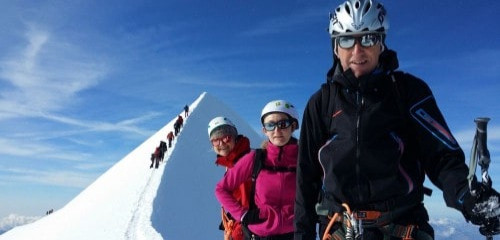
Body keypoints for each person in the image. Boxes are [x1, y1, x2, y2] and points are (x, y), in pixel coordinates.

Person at [294, 1, 500, 240]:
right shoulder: (321, 103)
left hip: (402, 226)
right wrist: (302, 234)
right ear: (335, 47)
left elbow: (442, 157)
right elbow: (306, 177)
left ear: (381, 43)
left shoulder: (409, 92)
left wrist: (467, 197)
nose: (358, 50)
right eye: (347, 40)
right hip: (340, 228)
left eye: (368, 38)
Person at [216, 100, 299, 240]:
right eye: (270, 125)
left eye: (283, 124)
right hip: (260, 235)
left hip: (295, 234)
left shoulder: (304, 159)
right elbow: (221, 189)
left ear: (293, 126)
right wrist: (242, 215)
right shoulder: (256, 158)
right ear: (264, 130)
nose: (277, 130)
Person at [208, 116, 252, 240]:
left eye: (226, 137)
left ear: (235, 137)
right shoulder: (231, 163)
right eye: (215, 140)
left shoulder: (245, 162)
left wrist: (238, 232)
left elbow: (248, 204)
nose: (221, 143)